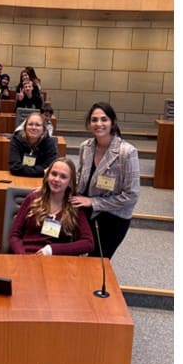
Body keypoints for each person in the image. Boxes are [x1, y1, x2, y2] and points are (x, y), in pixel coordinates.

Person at [71, 102, 140, 259]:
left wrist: (93, 202)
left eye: (104, 119)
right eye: (94, 120)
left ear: (113, 122)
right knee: (75, 257)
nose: (99, 124)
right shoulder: (85, 147)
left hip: (113, 217)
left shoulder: (127, 152)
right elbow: (80, 180)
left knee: (97, 262)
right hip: (85, 212)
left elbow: (131, 196)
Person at [10, 159, 94, 256]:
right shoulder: (33, 198)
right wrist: (23, 256)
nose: (57, 179)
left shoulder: (74, 205)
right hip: (27, 256)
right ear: (47, 176)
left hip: (57, 261)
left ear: (70, 183)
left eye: (63, 177)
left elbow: (88, 243)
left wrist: (52, 250)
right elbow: (15, 235)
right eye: (54, 174)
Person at [9, 111, 59, 178]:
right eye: (30, 124)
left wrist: (22, 169)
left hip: (41, 182)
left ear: (43, 129)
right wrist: (41, 171)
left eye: (38, 125)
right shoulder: (16, 140)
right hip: (18, 179)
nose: (33, 128)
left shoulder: (50, 143)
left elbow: (50, 168)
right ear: (25, 128)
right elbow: (14, 167)